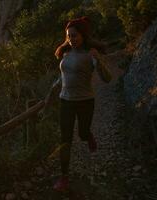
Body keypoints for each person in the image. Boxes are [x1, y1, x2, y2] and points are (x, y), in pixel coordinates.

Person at [44, 16, 112, 192]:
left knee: (82, 134)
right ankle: (64, 177)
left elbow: (107, 78)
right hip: (65, 101)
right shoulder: (66, 54)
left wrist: (98, 59)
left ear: (83, 36)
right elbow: (61, 78)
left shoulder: (90, 55)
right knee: (65, 139)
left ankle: (87, 136)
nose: (71, 39)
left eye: (74, 35)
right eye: (69, 36)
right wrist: (49, 95)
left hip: (85, 101)